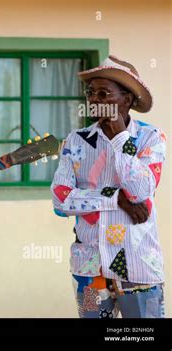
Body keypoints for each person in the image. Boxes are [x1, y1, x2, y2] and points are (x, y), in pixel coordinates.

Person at [51, 55, 166, 318]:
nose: (95, 100)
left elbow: (140, 191)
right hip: (88, 272)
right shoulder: (76, 141)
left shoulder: (151, 137)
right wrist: (117, 199)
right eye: (91, 93)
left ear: (127, 100)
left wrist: (120, 139)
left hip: (140, 269)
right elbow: (61, 200)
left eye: (104, 94)